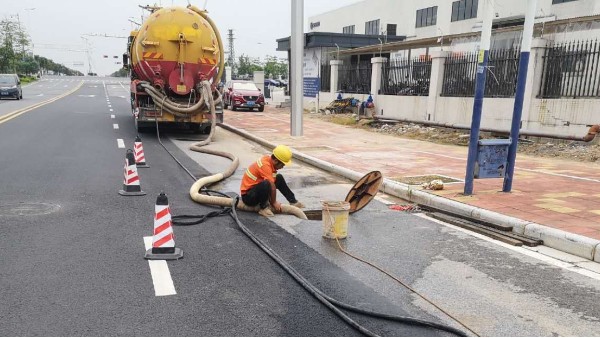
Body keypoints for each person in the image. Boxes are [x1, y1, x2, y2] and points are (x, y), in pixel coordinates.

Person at [240, 145, 305, 217]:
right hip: (248, 197)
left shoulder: (270, 161)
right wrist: (274, 202)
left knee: (279, 178)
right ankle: (263, 208)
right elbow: (272, 186)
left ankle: (293, 201)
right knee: (266, 183)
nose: (282, 167)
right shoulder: (265, 165)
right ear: (276, 161)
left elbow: (272, 183)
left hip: (256, 191)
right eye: (282, 164)